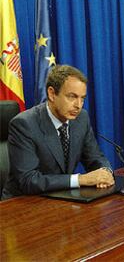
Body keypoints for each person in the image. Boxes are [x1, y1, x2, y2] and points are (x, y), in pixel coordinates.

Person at [1, 65, 114, 200]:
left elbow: (95, 158)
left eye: (82, 98)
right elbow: (29, 180)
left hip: (61, 199)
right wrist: (80, 180)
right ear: (52, 94)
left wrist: (105, 172)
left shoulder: (81, 119)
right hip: (22, 204)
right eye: (72, 97)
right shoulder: (24, 124)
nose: (78, 105)